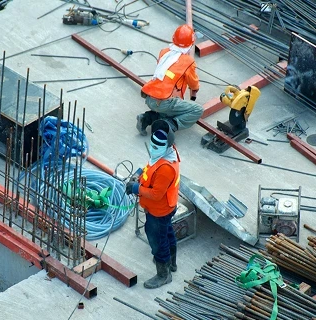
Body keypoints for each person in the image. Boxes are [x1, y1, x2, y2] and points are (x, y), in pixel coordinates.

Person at [125, 120, 180, 289]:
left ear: (167, 145)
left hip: (159, 210)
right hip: (165, 208)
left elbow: (156, 194)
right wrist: (139, 174)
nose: (153, 148)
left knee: (158, 241)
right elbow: (150, 166)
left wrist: (136, 187)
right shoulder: (165, 154)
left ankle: (164, 274)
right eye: (153, 144)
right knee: (167, 233)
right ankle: (171, 263)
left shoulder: (166, 168)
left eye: (158, 146)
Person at [137, 24, 203, 136]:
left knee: (169, 108)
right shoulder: (188, 62)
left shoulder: (164, 52)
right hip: (164, 102)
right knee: (197, 110)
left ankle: (146, 118)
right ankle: (168, 125)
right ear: (191, 44)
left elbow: (167, 73)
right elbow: (193, 84)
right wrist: (194, 93)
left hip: (149, 97)